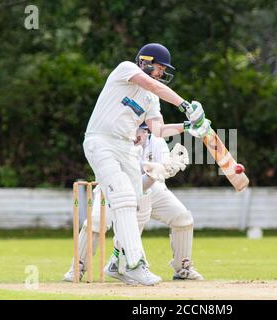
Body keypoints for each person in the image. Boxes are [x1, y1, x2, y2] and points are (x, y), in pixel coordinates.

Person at [76, 43, 211, 286]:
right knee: (125, 199)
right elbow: (151, 84)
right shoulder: (125, 69)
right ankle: (134, 265)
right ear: (145, 62)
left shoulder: (151, 99)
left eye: (162, 70)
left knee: (136, 204)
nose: (160, 74)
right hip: (101, 140)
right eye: (159, 68)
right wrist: (186, 106)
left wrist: (188, 127)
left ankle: (120, 263)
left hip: (126, 147)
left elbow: (157, 129)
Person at [63, 124, 203, 284]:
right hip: (112, 188)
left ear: (146, 131)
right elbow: (132, 182)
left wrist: (168, 169)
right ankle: (78, 267)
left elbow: (155, 177)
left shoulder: (157, 143)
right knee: (96, 221)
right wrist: (154, 171)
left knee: (182, 218)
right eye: (133, 130)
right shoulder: (118, 143)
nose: (136, 135)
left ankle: (183, 268)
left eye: (141, 131)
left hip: (151, 189)